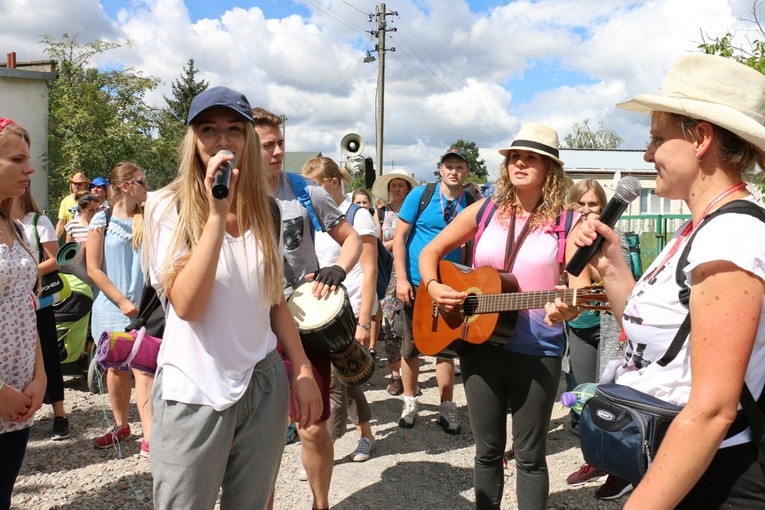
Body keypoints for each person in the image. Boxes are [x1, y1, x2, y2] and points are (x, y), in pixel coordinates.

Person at [553, 53, 765, 509]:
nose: (647, 155)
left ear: (701, 139)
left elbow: (713, 409)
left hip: (718, 474)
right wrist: (610, 266)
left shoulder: (730, 235)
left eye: (656, 139)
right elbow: (652, 335)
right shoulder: (697, 228)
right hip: (685, 457)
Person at [143, 86, 321, 509]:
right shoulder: (165, 207)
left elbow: (274, 299)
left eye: (233, 129)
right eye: (209, 129)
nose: (222, 140)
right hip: (194, 390)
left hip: (261, 385)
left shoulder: (267, 210)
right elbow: (187, 305)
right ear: (193, 140)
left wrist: (301, 368)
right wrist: (217, 214)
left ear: (246, 138)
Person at [419, 124, 590, 510]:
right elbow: (429, 252)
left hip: (537, 349)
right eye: (515, 156)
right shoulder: (485, 210)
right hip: (479, 345)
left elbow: (580, 290)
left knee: (529, 456)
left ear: (549, 168)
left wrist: (570, 306)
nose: (520, 164)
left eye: (531, 158)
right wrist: (432, 286)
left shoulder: (568, 222)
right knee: (486, 451)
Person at [253, 106, 361, 510]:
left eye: (281, 142)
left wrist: (338, 267)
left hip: (304, 322)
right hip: (253, 324)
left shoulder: (304, 190)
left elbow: (352, 240)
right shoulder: (234, 197)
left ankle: (320, 504)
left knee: (313, 427)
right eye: (268, 145)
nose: (278, 151)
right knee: (259, 436)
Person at [561, 179, 633, 499]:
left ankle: (619, 471)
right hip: (578, 326)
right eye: (581, 204)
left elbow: (617, 282)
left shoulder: (611, 238)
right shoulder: (567, 239)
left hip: (606, 325)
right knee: (581, 396)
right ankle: (594, 459)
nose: (587, 210)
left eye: (594, 204)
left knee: (608, 398)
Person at [393, 148, 473, 433]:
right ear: (440, 169)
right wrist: (401, 278)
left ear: (466, 172)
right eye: (449, 166)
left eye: (459, 167)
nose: (454, 172)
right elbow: (399, 238)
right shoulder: (421, 195)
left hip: (453, 285)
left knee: (446, 348)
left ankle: (447, 406)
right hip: (416, 284)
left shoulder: (472, 200)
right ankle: (410, 401)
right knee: (412, 345)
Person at [303, 157, 377, 462]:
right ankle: (365, 434)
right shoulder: (314, 216)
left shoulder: (358, 216)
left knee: (337, 379)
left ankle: (325, 448)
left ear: (333, 183)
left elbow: (370, 270)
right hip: (322, 311)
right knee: (343, 376)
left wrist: (364, 323)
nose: (309, 193)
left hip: (350, 309)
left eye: (315, 186)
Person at [86, 161, 153, 456]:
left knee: (143, 371)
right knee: (116, 371)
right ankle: (121, 425)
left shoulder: (149, 218)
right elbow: (93, 268)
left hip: (145, 307)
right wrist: (122, 302)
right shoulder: (102, 221)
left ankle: (149, 435)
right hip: (113, 306)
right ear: (126, 186)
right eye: (142, 181)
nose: (147, 187)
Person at [0, 118, 46, 510]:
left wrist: (40, 374)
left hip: (20, 400)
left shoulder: (14, 227)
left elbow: (26, 308)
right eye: (17, 159)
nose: (29, 168)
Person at [11, 188, 70, 440]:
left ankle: (60, 415)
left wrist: (26, 270)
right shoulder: (5, 222)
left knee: (47, 354)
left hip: (38, 301)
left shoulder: (38, 220)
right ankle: (19, 412)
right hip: (11, 304)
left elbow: (56, 260)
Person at [371, 168, 418, 396]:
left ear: (408, 188)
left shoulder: (418, 212)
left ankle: (412, 377)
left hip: (412, 272)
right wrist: (395, 244)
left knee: (411, 325)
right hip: (389, 276)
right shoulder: (381, 214)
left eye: (401, 184)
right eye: (394, 185)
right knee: (390, 326)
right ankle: (396, 376)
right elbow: (376, 244)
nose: (397, 188)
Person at [55, 172, 90, 239]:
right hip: (71, 240)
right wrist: (55, 240)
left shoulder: (90, 200)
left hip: (86, 238)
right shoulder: (65, 201)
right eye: (74, 183)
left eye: (79, 184)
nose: (76, 186)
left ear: (84, 185)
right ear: (71, 185)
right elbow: (61, 223)